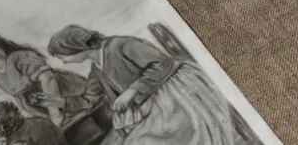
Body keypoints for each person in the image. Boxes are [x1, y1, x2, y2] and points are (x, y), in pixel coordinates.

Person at [47, 25, 235, 145]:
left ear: (74, 47)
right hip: (148, 107)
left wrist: (132, 91)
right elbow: (89, 99)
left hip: (173, 96)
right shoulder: (95, 70)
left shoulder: (120, 45)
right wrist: (60, 102)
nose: (62, 62)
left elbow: (164, 63)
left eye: (62, 56)